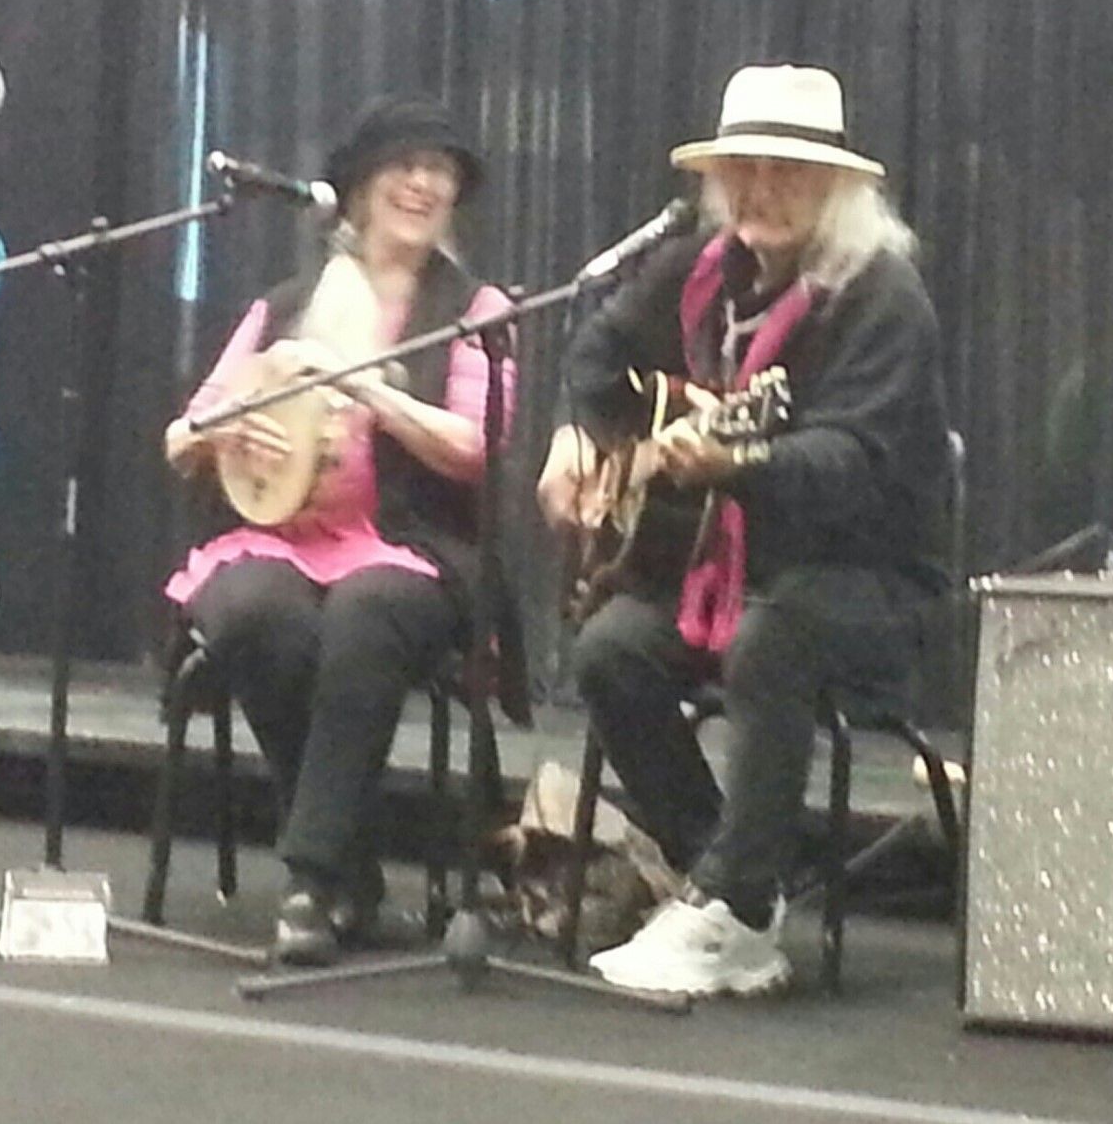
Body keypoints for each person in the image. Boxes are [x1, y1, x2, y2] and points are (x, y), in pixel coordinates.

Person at [536, 64, 951, 996]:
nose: (762, 191)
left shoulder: (881, 298)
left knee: (776, 630)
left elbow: (851, 464)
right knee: (610, 650)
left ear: (836, 189)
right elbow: (597, 351)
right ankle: (726, 884)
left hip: (866, 581)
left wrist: (739, 463)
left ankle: (735, 897)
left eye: (788, 173)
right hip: (721, 570)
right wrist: (578, 434)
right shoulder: (699, 272)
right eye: (745, 172)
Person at [162, 95, 516, 965]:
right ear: (358, 188)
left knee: (365, 613)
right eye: (405, 166)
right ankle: (351, 867)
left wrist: (368, 387)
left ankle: (312, 879)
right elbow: (181, 436)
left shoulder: (475, 308)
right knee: (252, 613)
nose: (424, 184)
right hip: (282, 539)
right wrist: (228, 434)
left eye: (440, 172)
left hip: (409, 547)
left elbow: (475, 448)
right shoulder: (286, 306)